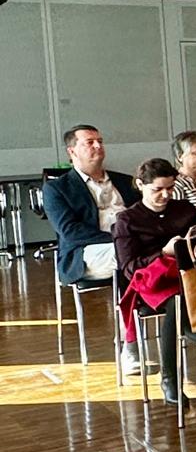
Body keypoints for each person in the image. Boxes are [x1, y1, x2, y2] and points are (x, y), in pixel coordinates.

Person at [41, 125, 145, 374]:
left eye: (100, 141)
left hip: (130, 249)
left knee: (161, 254)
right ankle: (130, 345)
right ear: (72, 151)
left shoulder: (124, 181)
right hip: (86, 253)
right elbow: (71, 232)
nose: (98, 146)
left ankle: (182, 321)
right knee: (128, 257)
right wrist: (120, 239)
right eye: (89, 142)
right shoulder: (57, 188)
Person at [112, 158, 196, 405]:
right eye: (157, 189)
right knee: (179, 301)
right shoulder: (127, 220)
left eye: (170, 188)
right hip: (151, 279)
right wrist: (163, 253)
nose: (166, 195)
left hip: (188, 272)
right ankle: (170, 378)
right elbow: (129, 267)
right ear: (140, 185)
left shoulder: (185, 209)